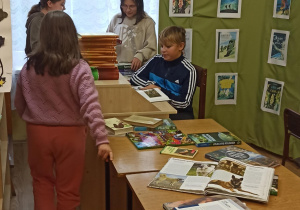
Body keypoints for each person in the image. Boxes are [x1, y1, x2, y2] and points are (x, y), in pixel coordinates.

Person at [15, 11, 113, 210]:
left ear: (43, 36)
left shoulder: (29, 66)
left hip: (37, 132)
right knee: (68, 189)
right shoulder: (79, 67)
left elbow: (19, 103)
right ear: (71, 35)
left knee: (41, 183)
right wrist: (101, 139)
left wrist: (34, 117)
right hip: (70, 135)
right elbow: (90, 106)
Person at [130, 26, 196, 120]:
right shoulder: (156, 60)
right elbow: (135, 77)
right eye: (162, 46)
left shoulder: (189, 70)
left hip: (178, 115)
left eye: (168, 46)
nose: (163, 50)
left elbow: (184, 103)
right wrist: (152, 85)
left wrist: (159, 91)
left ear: (181, 46)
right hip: (156, 109)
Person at [107, 0, 157, 71]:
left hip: (139, 68)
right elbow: (106, 41)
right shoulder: (116, 19)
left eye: (132, 6)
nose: (128, 10)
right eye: (125, 6)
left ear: (139, 5)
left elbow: (151, 47)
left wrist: (140, 55)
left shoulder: (148, 22)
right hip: (117, 66)